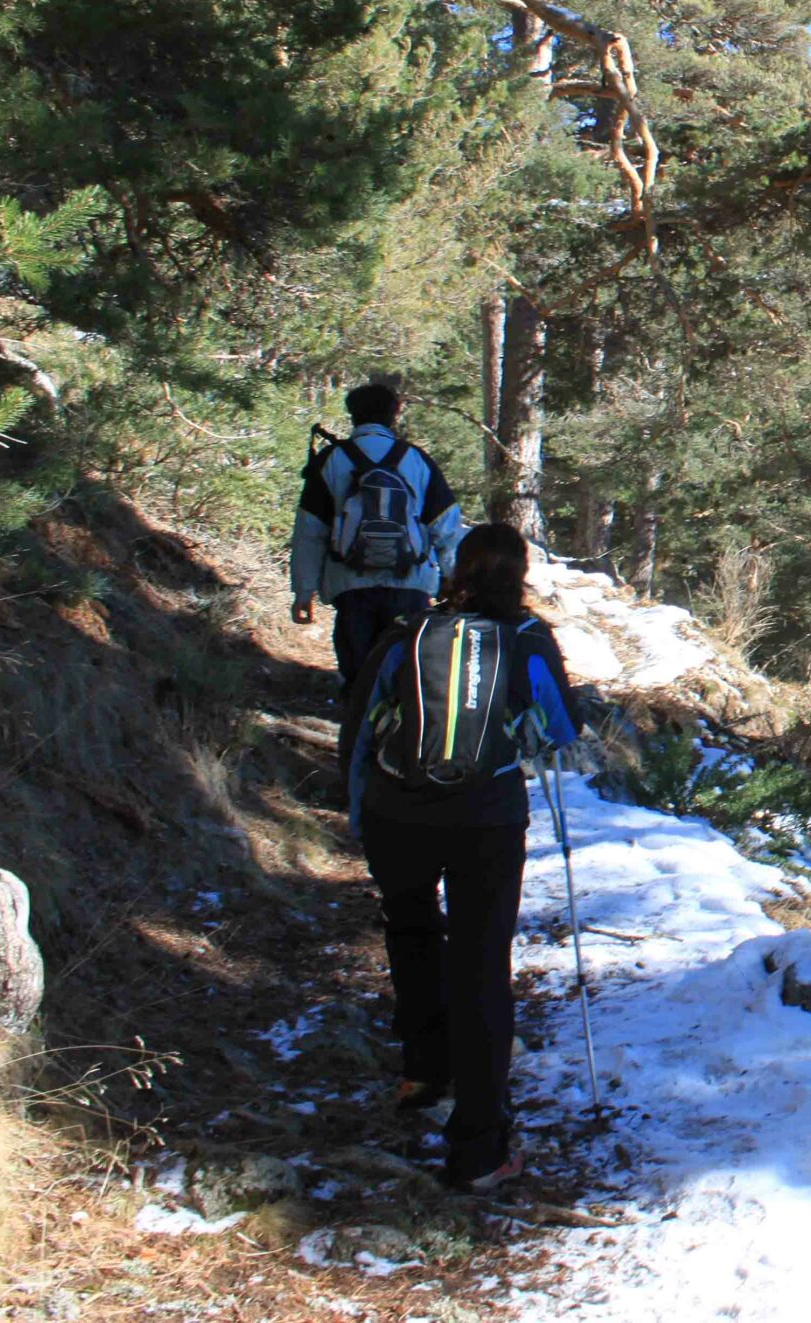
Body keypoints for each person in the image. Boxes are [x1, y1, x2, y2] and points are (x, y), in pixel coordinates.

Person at [339, 522, 581, 1192]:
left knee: (411, 928)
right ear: (519, 573)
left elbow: (358, 727)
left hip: (398, 812)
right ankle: (479, 1142)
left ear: (457, 568)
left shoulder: (407, 632)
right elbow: (563, 727)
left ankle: (424, 1066)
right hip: (487, 818)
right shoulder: (528, 639)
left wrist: (360, 814)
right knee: (481, 963)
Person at [291, 381, 467, 711]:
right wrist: (456, 580)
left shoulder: (331, 460)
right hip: (410, 584)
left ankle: (360, 746)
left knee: (359, 682)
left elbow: (309, 531)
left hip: (351, 586)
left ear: (352, 414)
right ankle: (402, 750)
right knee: (406, 679)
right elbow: (446, 527)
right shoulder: (416, 460)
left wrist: (304, 592)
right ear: (395, 413)